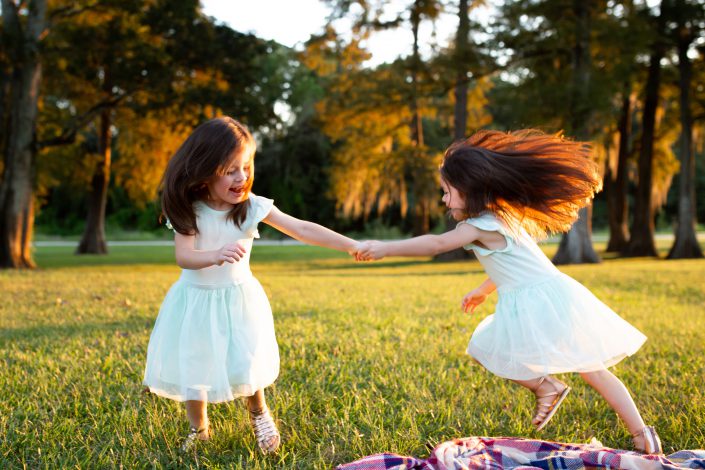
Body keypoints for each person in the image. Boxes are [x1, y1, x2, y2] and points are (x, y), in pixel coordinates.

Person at [356, 129, 663, 454]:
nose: (444, 199)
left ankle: (547, 387)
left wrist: (385, 247)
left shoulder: (477, 226)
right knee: (592, 370)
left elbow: (436, 243)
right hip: (552, 294)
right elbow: (516, 262)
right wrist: (484, 289)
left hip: (535, 301)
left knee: (486, 347)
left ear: (470, 188)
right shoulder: (502, 217)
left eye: (447, 192)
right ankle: (643, 434)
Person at [143, 116, 358, 453]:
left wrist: (350, 245)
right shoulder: (191, 209)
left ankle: (259, 413)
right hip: (195, 300)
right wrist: (215, 254)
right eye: (231, 170)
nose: (241, 177)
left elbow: (302, 228)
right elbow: (185, 257)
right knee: (194, 362)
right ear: (206, 169)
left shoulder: (251, 207)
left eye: (245, 166)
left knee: (246, 361)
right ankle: (198, 429)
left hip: (239, 299)